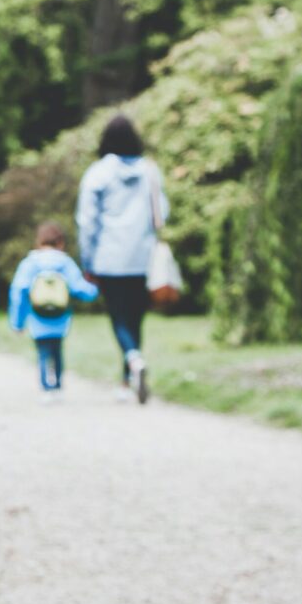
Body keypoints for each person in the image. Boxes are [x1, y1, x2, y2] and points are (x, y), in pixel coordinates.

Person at [75, 114, 169, 404]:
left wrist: (87, 261)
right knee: (136, 317)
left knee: (118, 318)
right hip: (142, 257)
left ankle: (132, 361)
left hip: (109, 257)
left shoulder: (98, 173)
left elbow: (87, 221)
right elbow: (161, 214)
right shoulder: (150, 171)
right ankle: (128, 377)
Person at [8, 221, 99, 403]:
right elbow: (81, 289)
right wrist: (96, 288)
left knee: (43, 353)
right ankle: (57, 386)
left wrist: (17, 322)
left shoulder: (30, 264)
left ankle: (46, 389)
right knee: (57, 352)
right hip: (60, 320)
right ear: (60, 243)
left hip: (37, 319)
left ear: (38, 242)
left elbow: (18, 292)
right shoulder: (65, 263)